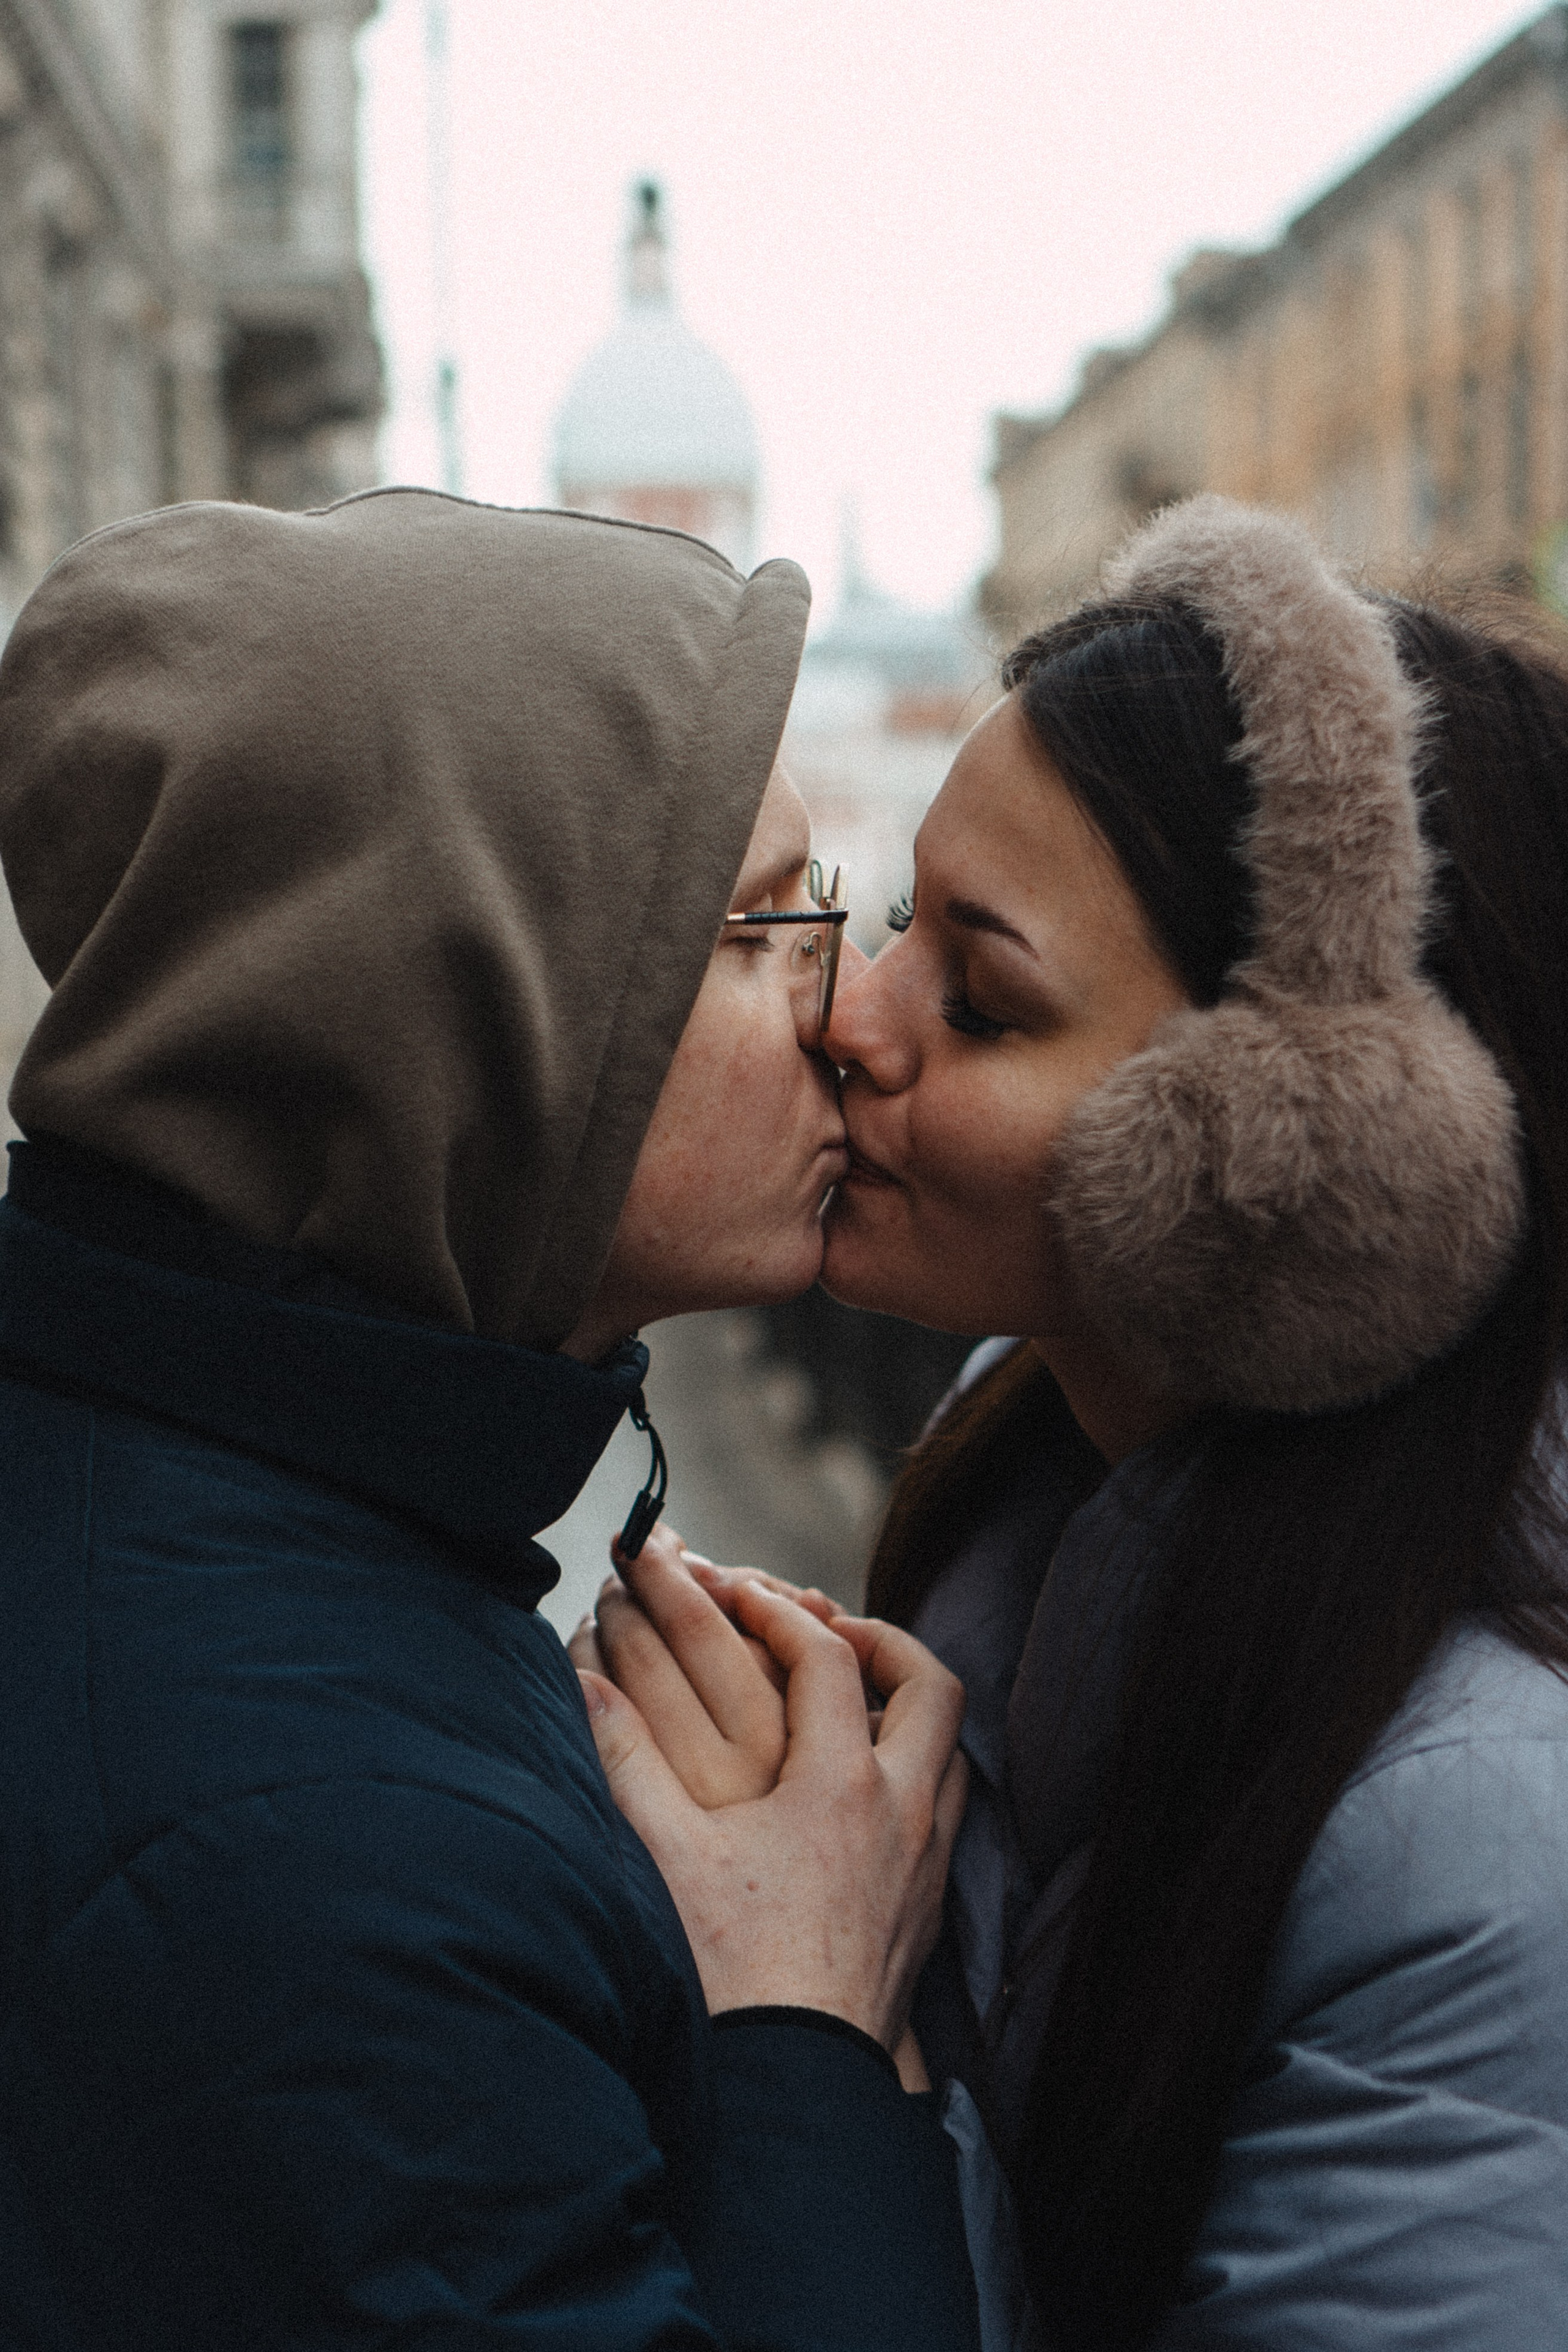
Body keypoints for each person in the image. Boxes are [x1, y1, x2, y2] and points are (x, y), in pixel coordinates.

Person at [583, 497, 1568, 2350]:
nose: (849, 1025)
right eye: (887, 930)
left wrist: (811, 2034)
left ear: (1293, 1167)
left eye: (981, 992)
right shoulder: (1031, 1511)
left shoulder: (1490, 1855)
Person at [0, 488, 979, 2350]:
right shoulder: (320, 1854)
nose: (843, 1013)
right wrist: (804, 2031)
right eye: (770, 923)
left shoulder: (234, 1511)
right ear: (484, 1006)